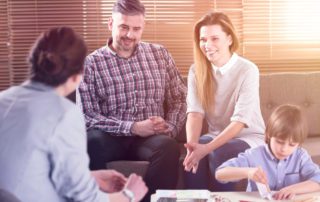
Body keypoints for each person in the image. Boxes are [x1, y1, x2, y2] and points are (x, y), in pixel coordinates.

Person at [0, 26, 147, 202]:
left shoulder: (4, 99)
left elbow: (28, 169)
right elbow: (86, 199)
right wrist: (129, 195)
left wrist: (89, 176)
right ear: (78, 75)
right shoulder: (65, 114)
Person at [77, 0, 187, 201]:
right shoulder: (91, 63)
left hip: (151, 139)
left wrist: (169, 127)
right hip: (110, 137)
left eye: (136, 29)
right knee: (91, 141)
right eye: (124, 27)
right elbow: (87, 116)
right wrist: (133, 127)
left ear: (143, 27)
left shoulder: (159, 54)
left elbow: (179, 98)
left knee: (169, 147)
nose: (130, 35)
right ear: (110, 24)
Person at [183, 11, 265, 191]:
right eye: (203, 39)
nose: (207, 45)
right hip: (215, 135)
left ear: (229, 39)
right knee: (190, 159)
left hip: (249, 137)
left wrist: (205, 149)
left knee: (219, 153)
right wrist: (192, 147)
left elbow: (240, 122)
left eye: (214, 38)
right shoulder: (196, 71)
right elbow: (195, 114)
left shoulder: (248, 70)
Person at [216, 104, 320, 200]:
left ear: (299, 143)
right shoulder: (254, 155)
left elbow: (318, 179)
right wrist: (248, 172)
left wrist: (293, 189)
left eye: (292, 145)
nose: (284, 149)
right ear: (269, 134)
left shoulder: (300, 156)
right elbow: (220, 174)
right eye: (279, 142)